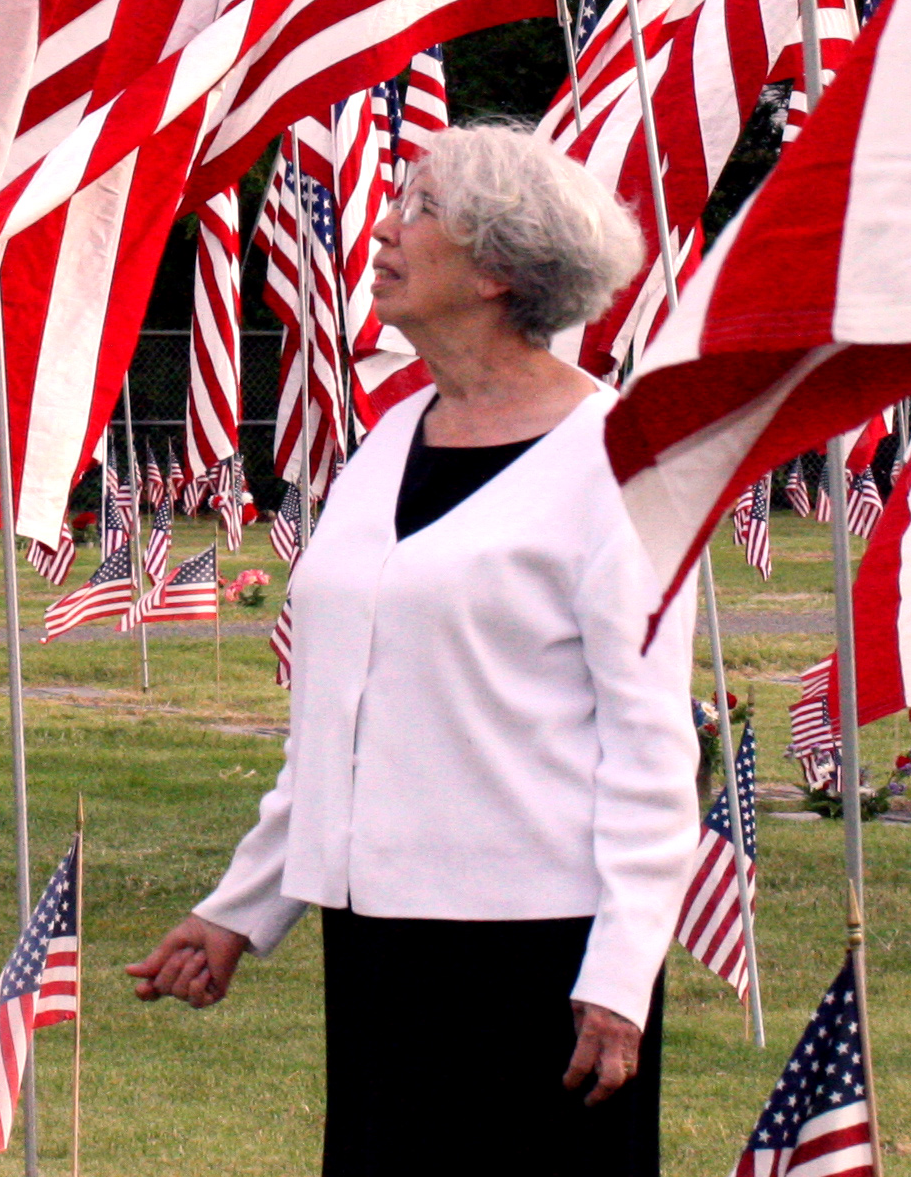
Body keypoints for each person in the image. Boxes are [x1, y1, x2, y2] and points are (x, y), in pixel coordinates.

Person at [127, 122, 696, 1172]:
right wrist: (239, 911)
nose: (383, 231)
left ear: (498, 266)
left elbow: (655, 753)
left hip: (544, 958)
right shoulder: (387, 445)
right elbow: (336, 726)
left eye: (419, 210)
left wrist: (621, 972)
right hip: (382, 946)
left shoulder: (616, 463)